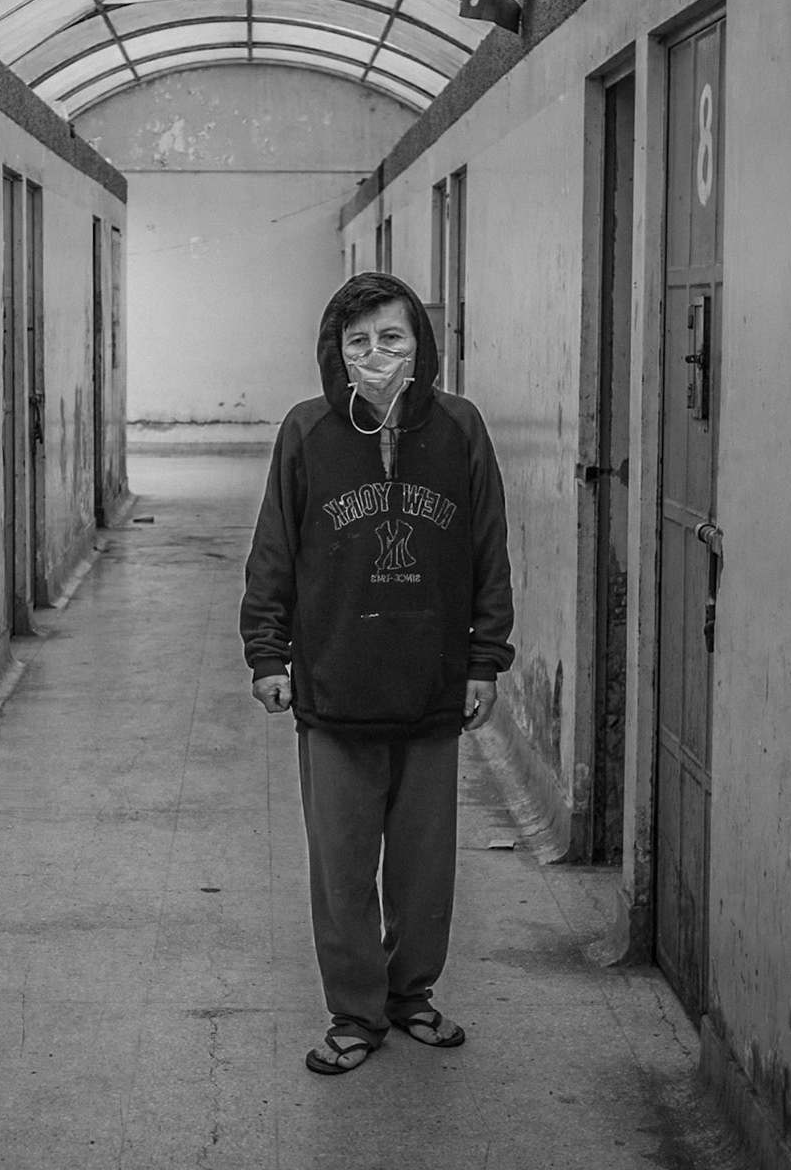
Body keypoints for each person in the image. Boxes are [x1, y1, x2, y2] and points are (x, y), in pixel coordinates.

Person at [240, 271, 515, 1076]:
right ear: (336, 350)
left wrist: (483, 660)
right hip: (334, 686)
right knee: (342, 865)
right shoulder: (307, 432)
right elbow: (274, 550)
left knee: (426, 865)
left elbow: (489, 552)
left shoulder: (460, 429)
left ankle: (411, 994)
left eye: (392, 339)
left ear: (420, 346)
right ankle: (356, 1012)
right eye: (358, 342)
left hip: (432, 686)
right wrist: (268, 653)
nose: (376, 356)